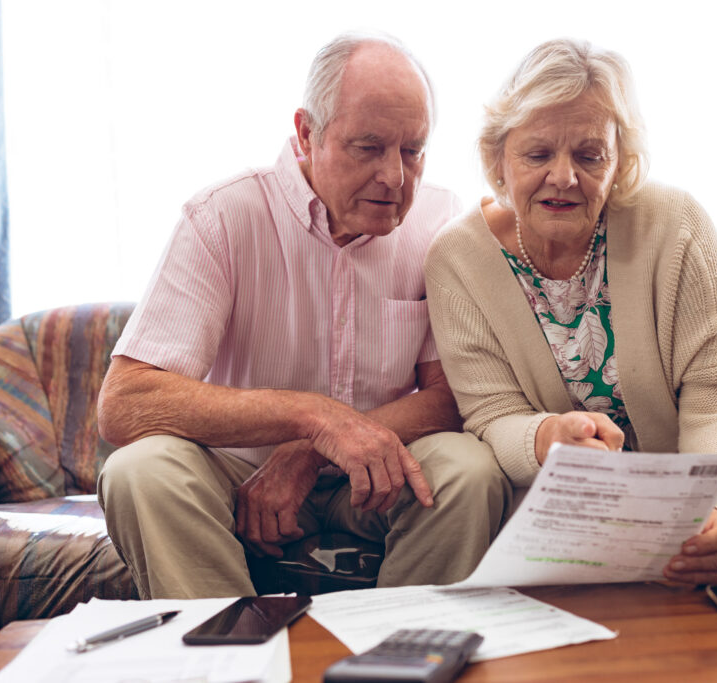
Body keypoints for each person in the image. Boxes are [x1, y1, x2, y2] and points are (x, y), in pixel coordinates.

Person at [97, 32, 511, 599]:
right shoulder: (223, 217)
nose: (394, 176)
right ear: (306, 134)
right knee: (138, 471)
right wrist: (312, 418)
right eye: (368, 147)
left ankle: (405, 657)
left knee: (468, 469)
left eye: (412, 151)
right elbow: (126, 404)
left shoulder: (441, 221)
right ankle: (229, 661)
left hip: (378, 477)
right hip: (238, 471)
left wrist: (312, 453)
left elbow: (451, 397)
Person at [424, 37, 717, 585]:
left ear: (619, 160)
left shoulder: (677, 223)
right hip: (562, 479)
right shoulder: (456, 260)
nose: (563, 177)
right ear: (497, 158)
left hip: (688, 458)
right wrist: (544, 437)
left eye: (589, 154)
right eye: (537, 154)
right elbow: (490, 414)